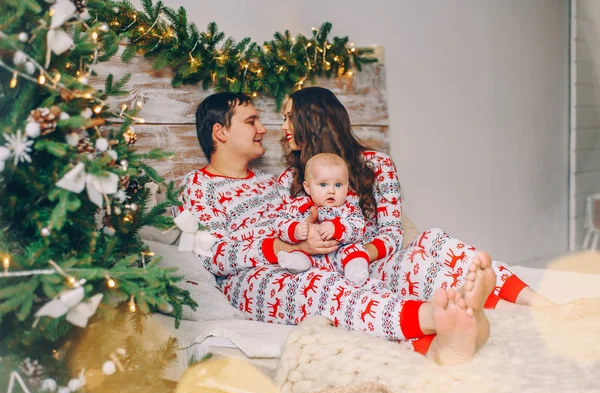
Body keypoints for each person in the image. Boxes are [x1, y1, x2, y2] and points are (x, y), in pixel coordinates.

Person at [175, 91, 496, 365]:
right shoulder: (199, 185)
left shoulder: (272, 183)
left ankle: (447, 331)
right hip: (250, 275)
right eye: (251, 121)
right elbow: (212, 254)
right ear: (220, 132)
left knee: (356, 279)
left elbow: (296, 218)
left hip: (307, 257)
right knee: (319, 285)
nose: (263, 129)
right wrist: (285, 248)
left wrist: (312, 233)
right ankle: (432, 319)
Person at [279, 86, 579, 315]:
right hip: (352, 274)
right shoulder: (294, 178)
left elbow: (392, 233)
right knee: (417, 264)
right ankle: (513, 314)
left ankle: (545, 305)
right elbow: (284, 235)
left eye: (289, 117)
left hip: (374, 256)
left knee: (433, 238)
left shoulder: (376, 164)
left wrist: (358, 253)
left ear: (313, 120)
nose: (283, 126)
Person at [275, 153, 371, 286]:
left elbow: (360, 227)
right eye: (323, 184)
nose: (331, 191)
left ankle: (355, 273)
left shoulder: (349, 208)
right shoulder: (300, 205)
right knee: (299, 254)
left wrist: (338, 228)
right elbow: (280, 221)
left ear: (347, 187)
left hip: (340, 253)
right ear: (308, 188)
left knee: (356, 251)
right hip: (312, 255)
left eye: (338, 185)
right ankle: (295, 263)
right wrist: (294, 229)